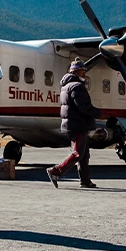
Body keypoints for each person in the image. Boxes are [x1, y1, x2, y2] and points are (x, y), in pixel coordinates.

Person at [46, 59, 102, 189]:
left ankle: (85, 181)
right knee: (77, 153)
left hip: (73, 124)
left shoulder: (66, 86)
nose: (85, 74)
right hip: (77, 125)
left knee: (83, 154)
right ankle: (55, 171)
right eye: (83, 71)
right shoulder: (77, 86)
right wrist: (98, 113)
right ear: (78, 71)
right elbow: (83, 107)